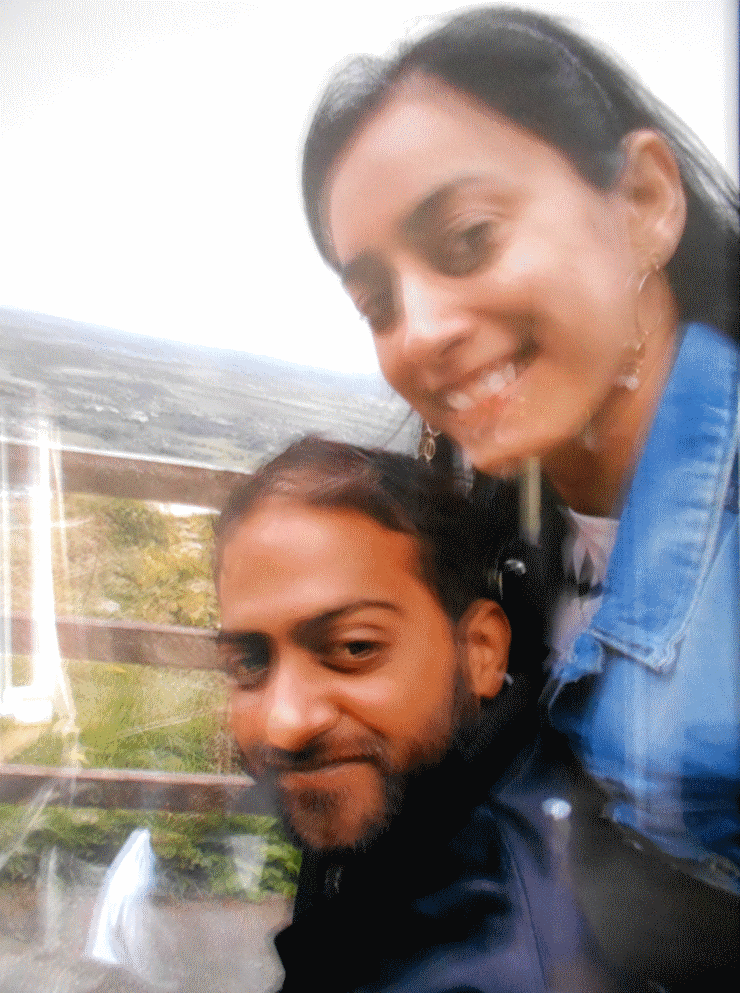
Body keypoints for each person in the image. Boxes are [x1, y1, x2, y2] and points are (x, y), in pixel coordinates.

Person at [300, 2, 738, 910]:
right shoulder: (499, 550)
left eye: (470, 239)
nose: (420, 333)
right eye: (378, 303)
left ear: (644, 203)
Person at [214, 436, 628, 993]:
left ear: (480, 652)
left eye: (355, 647)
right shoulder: (419, 815)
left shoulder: (489, 955)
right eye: (248, 663)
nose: (285, 724)